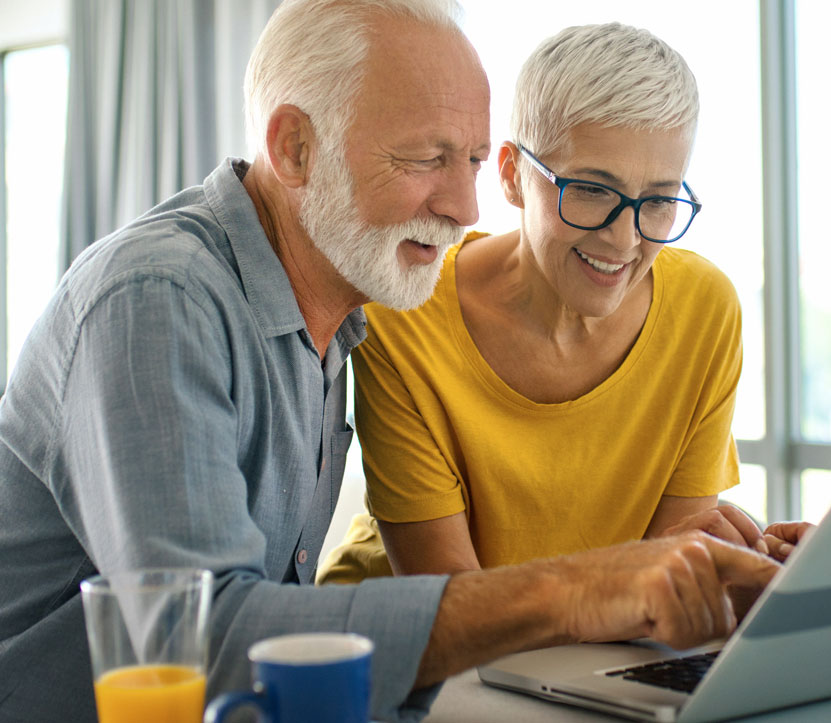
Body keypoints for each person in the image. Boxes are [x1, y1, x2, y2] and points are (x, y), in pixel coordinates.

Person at [0, 2, 788, 722]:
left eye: (472, 161)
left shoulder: (343, 313)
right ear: (295, 148)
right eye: (424, 159)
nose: (467, 209)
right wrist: (582, 589)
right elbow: (206, 642)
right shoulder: (161, 300)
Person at [319, 21, 794, 583]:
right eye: (592, 190)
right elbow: (449, 606)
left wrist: (761, 578)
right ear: (513, 176)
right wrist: (644, 586)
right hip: (404, 656)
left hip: (590, 655)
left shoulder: (704, 310)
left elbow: (671, 587)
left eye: (660, 200)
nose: (625, 240)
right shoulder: (406, 310)